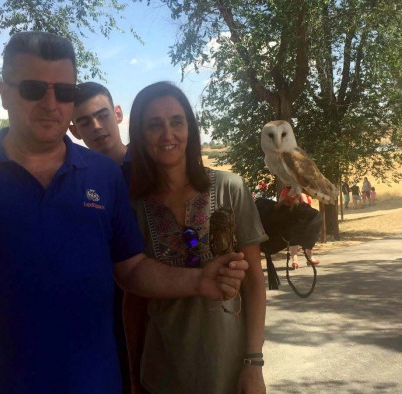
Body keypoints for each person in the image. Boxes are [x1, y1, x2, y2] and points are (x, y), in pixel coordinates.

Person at [0, 32, 249, 393]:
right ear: (4, 92)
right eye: (33, 89)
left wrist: (197, 282)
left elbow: (132, 269)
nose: (50, 103)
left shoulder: (103, 176)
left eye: (64, 92)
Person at [123, 81, 267, 394]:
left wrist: (254, 364)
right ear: (139, 134)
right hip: (162, 376)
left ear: (190, 128)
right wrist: (134, 377)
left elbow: (255, 281)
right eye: (154, 125)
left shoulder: (231, 189)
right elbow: (133, 299)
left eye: (176, 122)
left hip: (228, 374)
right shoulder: (133, 207)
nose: (167, 135)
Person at [68, 81, 132, 391]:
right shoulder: (73, 181)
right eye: (84, 121)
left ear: (118, 114)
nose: (96, 126)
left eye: (102, 115)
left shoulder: (156, 169)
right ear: (74, 130)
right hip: (102, 322)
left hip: (161, 309)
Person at [280, 186, 321, 268]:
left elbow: (307, 205)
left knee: (309, 237)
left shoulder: (306, 191)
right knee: (293, 239)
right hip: (293, 218)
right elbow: (281, 203)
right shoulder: (287, 191)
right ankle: (295, 260)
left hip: (306, 218)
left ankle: (310, 258)